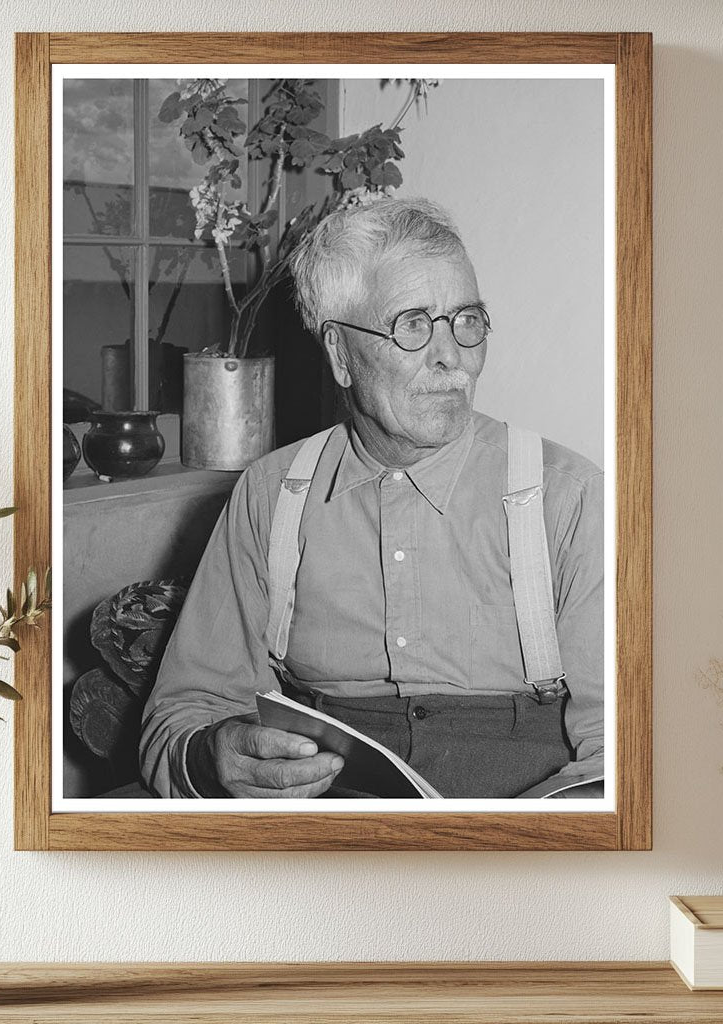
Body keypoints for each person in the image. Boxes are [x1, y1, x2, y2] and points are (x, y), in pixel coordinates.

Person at [139, 196, 603, 800]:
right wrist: (211, 758)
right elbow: (182, 716)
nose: (452, 358)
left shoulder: (568, 498)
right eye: (412, 324)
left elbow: (624, 751)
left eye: (467, 320)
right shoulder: (271, 495)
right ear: (339, 353)